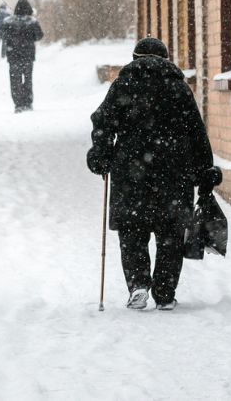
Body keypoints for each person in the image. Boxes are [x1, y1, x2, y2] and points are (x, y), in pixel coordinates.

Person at [85, 37, 216, 311]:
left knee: (133, 231)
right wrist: (203, 170)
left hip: (131, 169)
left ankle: (139, 285)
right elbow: (196, 132)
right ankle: (165, 293)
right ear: (166, 59)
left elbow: (103, 121)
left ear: (135, 58)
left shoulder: (124, 84)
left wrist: (101, 152)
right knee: (170, 232)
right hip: (174, 168)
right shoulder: (178, 88)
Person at [0, 0, 44, 112]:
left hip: (13, 55)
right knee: (28, 79)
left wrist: (11, 39)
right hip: (28, 55)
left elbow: (1, 35)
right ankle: (27, 103)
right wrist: (29, 37)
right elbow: (39, 36)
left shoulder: (8, 21)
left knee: (15, 80)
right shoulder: (32, 21)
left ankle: (18, 103)